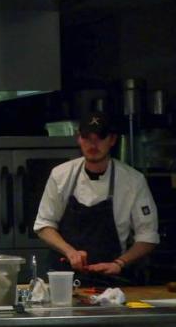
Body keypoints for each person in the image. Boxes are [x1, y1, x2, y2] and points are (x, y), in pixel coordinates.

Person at [35, 112, 159, 284]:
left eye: (100, 137)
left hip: (112, 282)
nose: (93, 144)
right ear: (79, 139)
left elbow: (148, 237)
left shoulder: (133, 181)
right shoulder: (61, 175)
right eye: (86, 137)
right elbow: (44, 224)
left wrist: (119, 263)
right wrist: (71, 252)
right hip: (63, 279)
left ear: (112, 140)